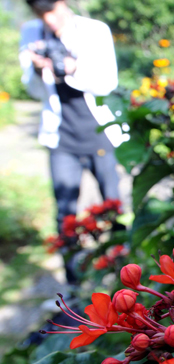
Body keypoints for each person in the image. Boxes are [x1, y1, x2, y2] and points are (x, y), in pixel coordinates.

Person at [19, 0, 124, 283]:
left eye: (52, 10)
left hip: (99, 132)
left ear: (64, 3)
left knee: (115, 205)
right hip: (61, 137)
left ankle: (125, 271)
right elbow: (33, 89)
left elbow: (107, 83)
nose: (49, 20)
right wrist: (41, 70)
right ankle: (74, 285)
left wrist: (72, 67)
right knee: (65, 211)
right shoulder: (32, 32)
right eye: (41, 14)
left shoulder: (94, 30)